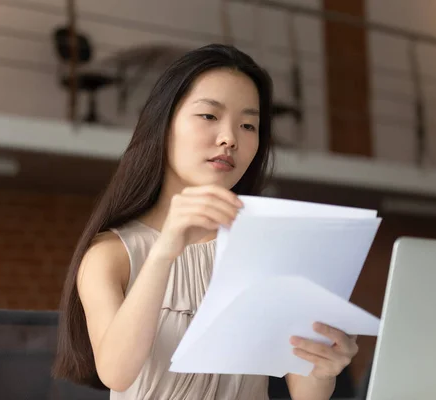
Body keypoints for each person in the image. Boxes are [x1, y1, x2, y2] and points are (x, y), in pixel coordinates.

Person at [53, 43, 359, 400]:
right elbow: (117, 374)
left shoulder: (269, 248)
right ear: (164, 124)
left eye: (248, 125)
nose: (230, 138)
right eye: (209, 116)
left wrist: (324, 368)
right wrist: (165, 251)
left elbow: (307, 395)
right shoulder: (111, 255)